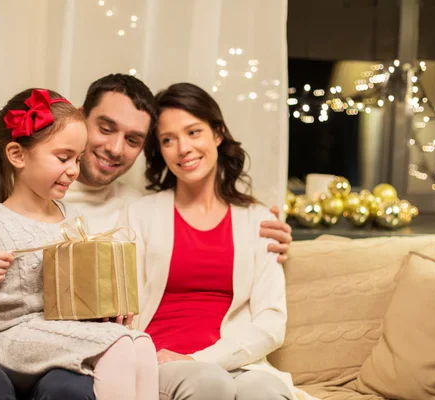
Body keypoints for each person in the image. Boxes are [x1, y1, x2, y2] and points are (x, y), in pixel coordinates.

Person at [0, 74, 293, 400]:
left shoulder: (130, 208)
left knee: (73, 388)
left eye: (134, 140)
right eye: (105, 128)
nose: (115, 148)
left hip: (65, 355)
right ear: (81, 117)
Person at [0, 88, 158, 400]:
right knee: (116, 346)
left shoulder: (71, 217)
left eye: (77, 158)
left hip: (54, 333)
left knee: (139, 341)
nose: (74, 170)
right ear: (17, 155)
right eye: (63, 158)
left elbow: (76, 297)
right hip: (7, 341)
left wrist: (108, 308)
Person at [121, 83, 304, 400]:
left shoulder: (259, 220)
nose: (183, 148)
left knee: (266, 393)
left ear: (217, 134)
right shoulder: (139, 215)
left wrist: (201, 359)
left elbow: (271, 323)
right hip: (160, 361)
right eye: (168, 140)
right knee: (208, 383)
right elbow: (121, 307)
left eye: (193, 132)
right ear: (160, 151)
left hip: (237, 363)